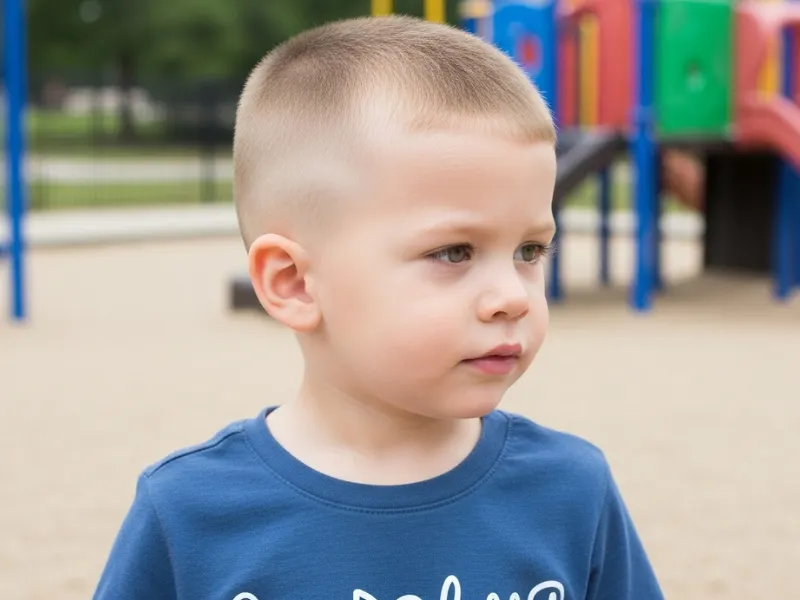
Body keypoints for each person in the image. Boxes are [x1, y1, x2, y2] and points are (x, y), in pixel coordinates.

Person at [93, 16, 664, 600]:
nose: (514, 296)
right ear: (294, 283)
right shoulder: (191, 514)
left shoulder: (570, 491)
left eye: (529, 250)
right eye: (453, 252)